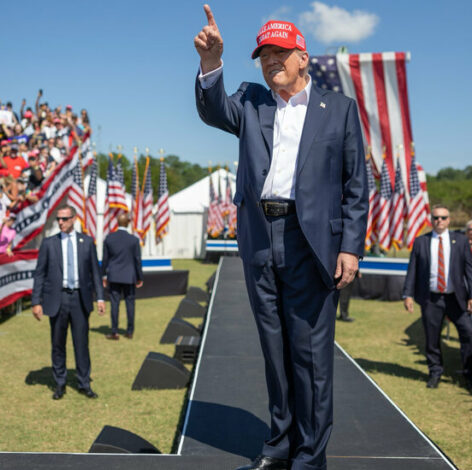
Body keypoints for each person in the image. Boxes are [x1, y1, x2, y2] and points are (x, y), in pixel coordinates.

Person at [194, 7, 368, 470]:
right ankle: (279, 445)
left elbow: (356, 185)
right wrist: (212, 64)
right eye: (264, 55)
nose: (271, 62)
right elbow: (214, 110)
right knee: (274, 351)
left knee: (310, 355)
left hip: (311, 241)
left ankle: (310, 457)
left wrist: (350, 247)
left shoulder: (340, 110)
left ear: (303, 57)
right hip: (259, 237)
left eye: (279, 53)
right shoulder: (252, 100)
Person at [403, 204, 472, 392]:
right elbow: (412, 269)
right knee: (431, 338)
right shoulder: (421, 241)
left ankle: (471, 376)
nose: (440, 221)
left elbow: (470, 271)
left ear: (449, 220)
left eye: (443, 218)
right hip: (431, 298)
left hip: (456, 298)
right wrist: (408, 294)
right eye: (436, 218)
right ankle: (435, 372)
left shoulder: (460, 241)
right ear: (432, 219)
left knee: (469, 333)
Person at [31, 205, 106, 400]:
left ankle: (84, 383)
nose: (61, 223)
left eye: (64, 219)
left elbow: (95, 273)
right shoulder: (49, 243)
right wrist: (36, 301)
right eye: (58, 219)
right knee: (58, 343)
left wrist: (100, 297)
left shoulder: (87, 242)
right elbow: (39, 274)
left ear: (74, 219)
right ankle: (60, 383)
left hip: (80, 298)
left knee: (81, 343)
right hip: (57, 298)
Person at [101, 213, 143, 340]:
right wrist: (139, 277)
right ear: (128, 223)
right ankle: (130, 331)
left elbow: (105, 259)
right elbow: (137, 260)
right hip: (129, 276)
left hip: (114, 276)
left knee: (115, 304)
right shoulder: (134, 240)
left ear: (117, 223)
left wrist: (103, 275)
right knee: (130, 303)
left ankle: (114, 332)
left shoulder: (109, 238)